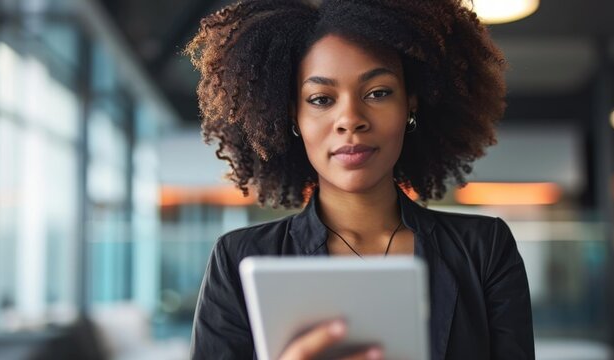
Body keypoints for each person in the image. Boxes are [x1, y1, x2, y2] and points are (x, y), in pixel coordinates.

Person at [183, 0, 534, 359]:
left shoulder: (484, 249)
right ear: (292, 116)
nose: (350, 119)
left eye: (378, 93)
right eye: (321, 99)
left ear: (410, 105)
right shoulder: (238, 259)